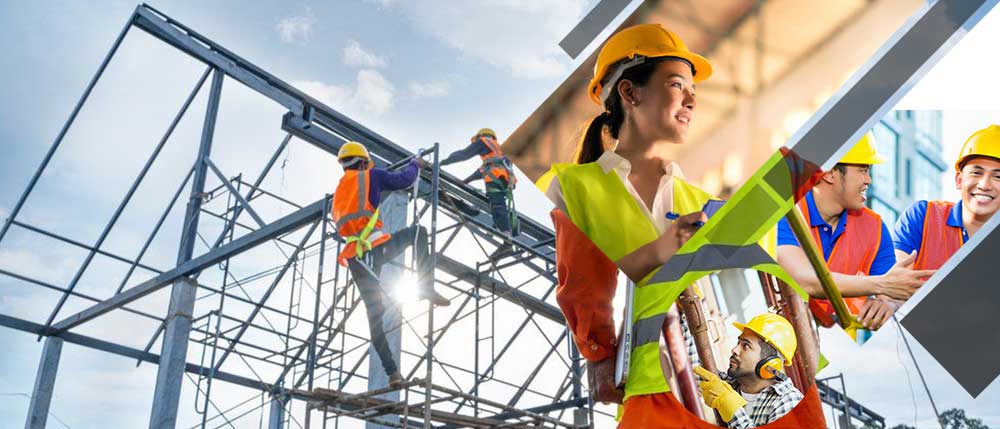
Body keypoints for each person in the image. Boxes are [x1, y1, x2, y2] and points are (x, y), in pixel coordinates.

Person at [776, 134, 933, 337]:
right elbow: (806, 280)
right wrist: (881, 284)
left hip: (826, 341)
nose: (869, 180)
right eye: (863, 170)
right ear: (830, 173)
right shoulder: (787, 211)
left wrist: (888, 303)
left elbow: (892, 290)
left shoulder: (874, 228)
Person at [331, 141, 450, 386]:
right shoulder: (370, 176)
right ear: (363, 161)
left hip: (355, 256)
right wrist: (415, 164)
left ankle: (393, 374)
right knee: (419, 232)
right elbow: (403, 181)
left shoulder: (341, 190)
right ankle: (425, 286)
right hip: (374, 246)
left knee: (374, 315)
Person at [894, 124, 1000, 269]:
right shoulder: (923, 217)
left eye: (998, 176)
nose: (984, 185)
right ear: (959, 180)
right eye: (976, 173)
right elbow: (893, 287)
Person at [695, 313, 801, 428]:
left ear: (770, 363)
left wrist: (732, 409)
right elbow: (693, 366)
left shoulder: (788, 401)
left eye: (746, 346)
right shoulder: (728, 386)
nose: (734, 350)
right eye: (738, 343)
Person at [441, 128, 518, 256]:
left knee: (498, 206)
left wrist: (442, 162)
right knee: (497, 205)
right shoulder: (498, 151)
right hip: (504, 180)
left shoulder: (484, 141)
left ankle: (507, 240)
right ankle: (506, 240)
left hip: (496, 178)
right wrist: (466, 181)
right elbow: (483, 170)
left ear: (481, 136)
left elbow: (463, 154)